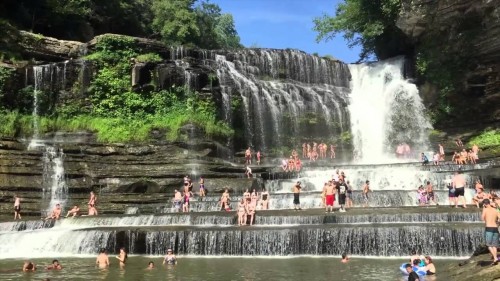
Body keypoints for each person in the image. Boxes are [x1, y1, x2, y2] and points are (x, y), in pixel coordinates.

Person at [482, 199, 500, 265]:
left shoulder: (485, 209)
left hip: (489, 228)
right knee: (494, 245)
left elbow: (482, 218)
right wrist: (497, 223)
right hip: (495, 228)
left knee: (488, 245)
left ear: (485, 204)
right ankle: (495, 259)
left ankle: (495, 258)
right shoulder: (496, 210)